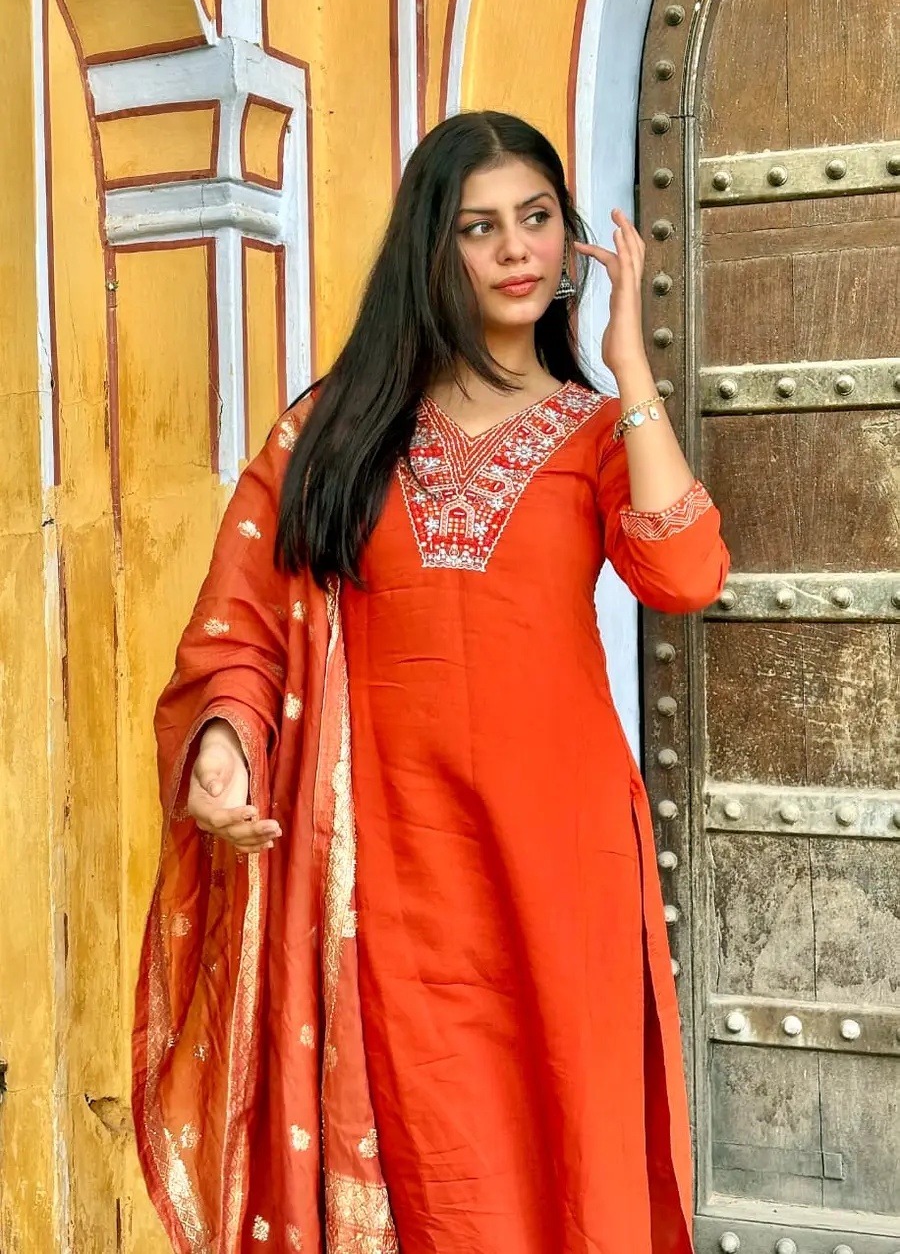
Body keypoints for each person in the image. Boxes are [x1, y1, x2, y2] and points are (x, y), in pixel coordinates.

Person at [133, 110, 729, 1254]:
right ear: (432, 247)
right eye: (479, 226)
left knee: (567, 1134)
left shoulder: (597, 432)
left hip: (558, 865)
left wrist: (630, 365)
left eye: (537, 218)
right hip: (387, 867)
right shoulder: (333, 434)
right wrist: (222, 743)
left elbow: (685, 570)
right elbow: (239, 626)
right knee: (425, 1150)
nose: (517, 249)